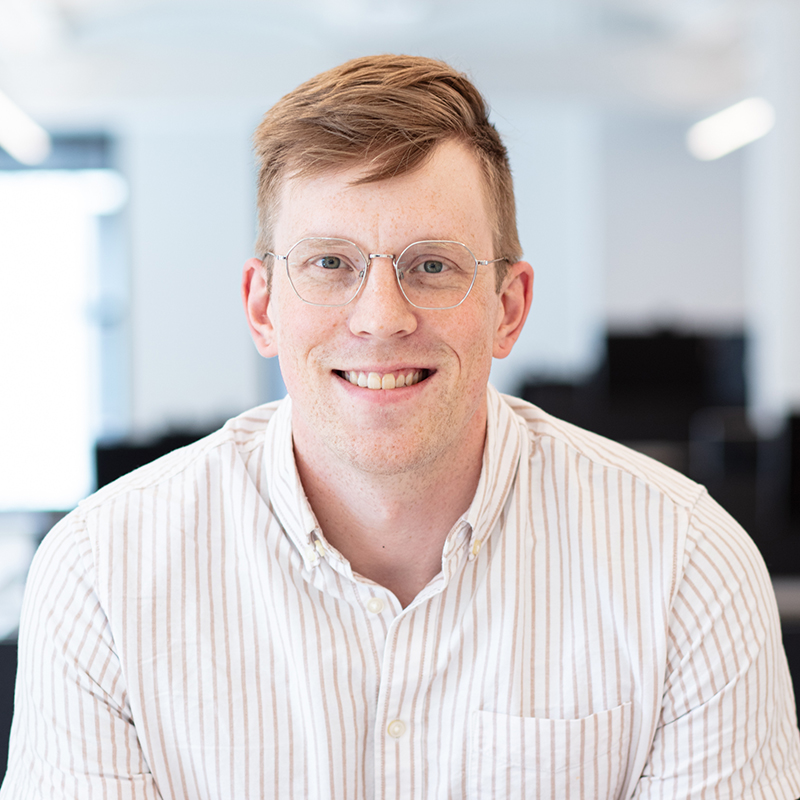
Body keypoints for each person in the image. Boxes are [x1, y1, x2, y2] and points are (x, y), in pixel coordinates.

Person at [2, 54, 800, 800]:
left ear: (508, 309)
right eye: (329, 264)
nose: (381, 318)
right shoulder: (102, 576)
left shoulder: (686, 569)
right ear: (261, 305)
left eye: (432, 265)